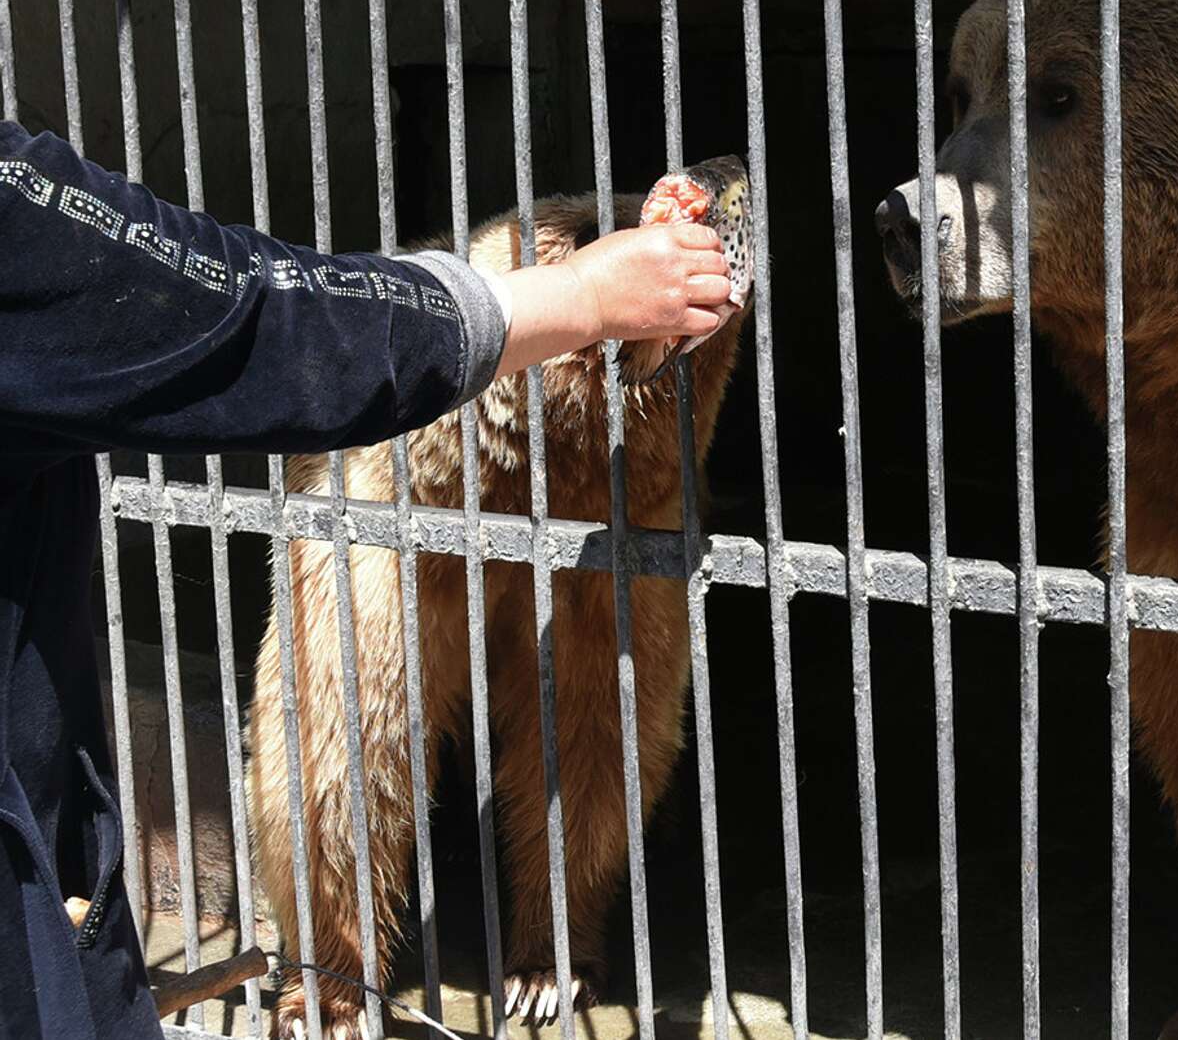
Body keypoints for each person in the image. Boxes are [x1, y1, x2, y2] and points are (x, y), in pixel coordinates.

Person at [0, 119, 734, 1038]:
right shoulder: (19, 216)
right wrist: (579, 293)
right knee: (348, 724)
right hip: (421, 458)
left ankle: (557, 936)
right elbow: (260, 316)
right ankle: (332, 973)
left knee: (600, 710)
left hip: (593, 473)